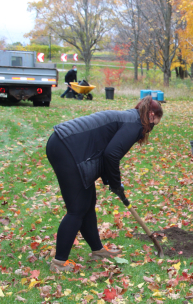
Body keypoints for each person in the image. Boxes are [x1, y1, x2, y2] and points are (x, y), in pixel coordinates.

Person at [46, 96, 163, 272]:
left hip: (67, 146)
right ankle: (59, 262)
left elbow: (106, 150)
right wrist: (116, 183)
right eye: (155, 123)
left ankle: (97, 250)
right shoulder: (135, 124)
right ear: (152, 115)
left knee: (88, 203)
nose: (151, 130)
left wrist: (111, 181)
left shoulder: (131, 118)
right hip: (67, 147)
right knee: (77, 209)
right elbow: (111, 155)